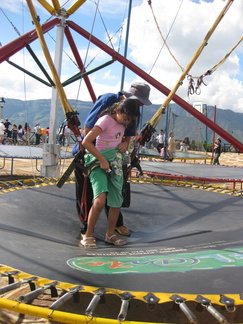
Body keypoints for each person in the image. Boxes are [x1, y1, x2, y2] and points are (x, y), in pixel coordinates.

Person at [74, 82, 152, 236]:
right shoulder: (108, 100)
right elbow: (89, 126)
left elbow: (127, 134)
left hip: (114, 156)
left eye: (140, 104)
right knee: (89, 192)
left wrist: (125, 144)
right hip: (92, 152)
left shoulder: (131, 112)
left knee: (114, 190)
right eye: (137, 102)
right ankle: (86, 227)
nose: (137, 106)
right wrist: (95, 155)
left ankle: (116, 224)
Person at [81, 99, 140, 248]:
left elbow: (122, 140)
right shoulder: (105, 120)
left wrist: (125, 144)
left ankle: (110, 234)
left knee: (116, 200)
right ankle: (88, 234)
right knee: (100, 200)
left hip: (115, 161)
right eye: (126, 118)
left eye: (130, 120)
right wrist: (102, 160)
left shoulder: (123, 124)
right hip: (99, 160)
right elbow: (86, 142)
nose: (127, 122)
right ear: (118, 111)